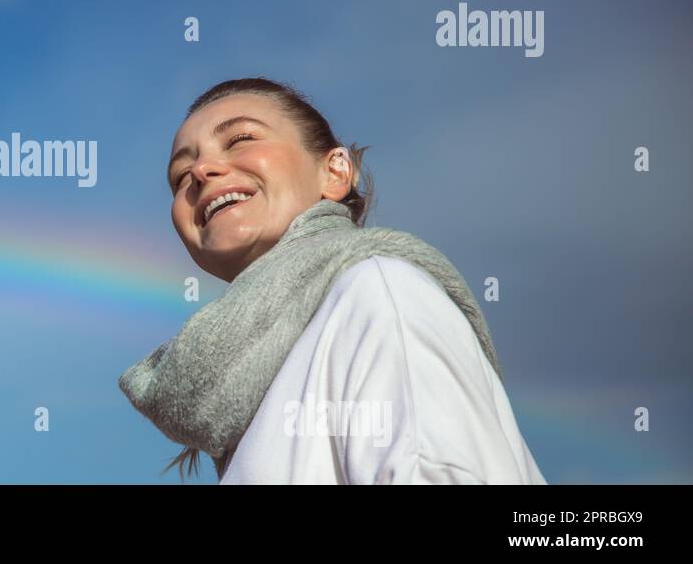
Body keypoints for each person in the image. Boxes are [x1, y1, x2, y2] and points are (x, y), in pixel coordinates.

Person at [118, 76, 546, 484]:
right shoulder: (254, 381)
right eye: (179, 175)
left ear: (335, 172)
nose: (203, 170)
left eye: (241, 139)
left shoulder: (379, 293)